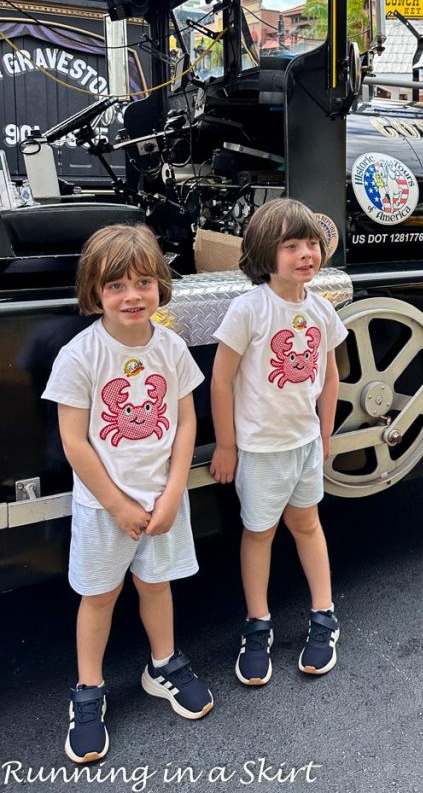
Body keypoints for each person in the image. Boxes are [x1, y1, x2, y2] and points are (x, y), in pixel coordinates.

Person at [43, 224, 213, 765]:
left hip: (163, 498)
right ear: (95, 293)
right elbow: (74, 441)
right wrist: (117, 504)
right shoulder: (79, 355)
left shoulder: (171, 346)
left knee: (156, 585)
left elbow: (186, 422)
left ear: (162, 285)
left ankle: (161, 664)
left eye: (143, 282)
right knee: (99, 596)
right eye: (116, 286)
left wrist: (171, 494)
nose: (132, 295)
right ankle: (87, 690)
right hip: (104, 508)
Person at [210, 198, 347, 685]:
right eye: (291, 246)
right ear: (266, 254)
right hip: (260, 450)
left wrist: (325, 432)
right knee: (259, 534)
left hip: (305, 445)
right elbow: (220, 379)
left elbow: (330, 377)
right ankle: (258, 623)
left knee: (308, 526)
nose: (306, 253)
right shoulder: (249, 308)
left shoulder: (322, 310)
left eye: (311, 243)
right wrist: (226, 445)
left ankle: (324, 613)